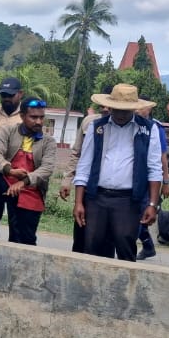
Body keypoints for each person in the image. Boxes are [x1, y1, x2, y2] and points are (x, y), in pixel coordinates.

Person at [73, 84, 163, 261]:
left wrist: (152, 204)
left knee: (125, 245)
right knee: (92, 246)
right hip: (97, 197)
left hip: (128, 200)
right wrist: (78, 202)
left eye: (125, 110)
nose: (121, 114)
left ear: (134, 109)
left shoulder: (147, 129)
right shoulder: (97, 127)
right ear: (110, 107)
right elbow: (84, 165)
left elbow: (154, 169)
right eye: (117, 109)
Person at [0, 98, 58, 244]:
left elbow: (47, 169)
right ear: (22, 116)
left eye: (41, 117)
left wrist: (24, 182)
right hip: (6, 181)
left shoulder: (48, 141)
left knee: (23, 241)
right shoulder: (8, 131)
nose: (39, 122)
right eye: (34, 117)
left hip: (30, 190)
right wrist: (9, 170)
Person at [60, 87, 111, 254]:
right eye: (102, 105)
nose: (105, 109)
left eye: (109, 105)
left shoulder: (127, 127)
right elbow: (76, 153)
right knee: (81, 235)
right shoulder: (89, 123)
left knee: (106, 241)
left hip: (111, 192)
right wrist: (67, 180)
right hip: (87, 188)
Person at [136, 98, 169, 259]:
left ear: (149, 109)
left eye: (142, 107)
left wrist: (165, 182)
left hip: (149, 181)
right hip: (135, 179)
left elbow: (162, 157)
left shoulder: (155, 128)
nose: (138, 110)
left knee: (142, 214)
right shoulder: (132, 123)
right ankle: (147, 245)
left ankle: (146, 246)